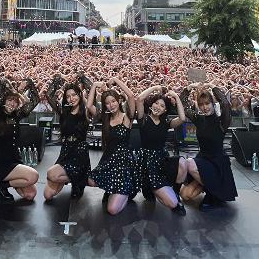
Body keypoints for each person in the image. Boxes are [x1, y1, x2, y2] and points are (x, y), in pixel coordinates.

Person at [180, 86, 238, 211]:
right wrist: (188, 89)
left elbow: (226, 105)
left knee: (189, 163)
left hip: (217, 162)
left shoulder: (222, 121)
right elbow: (183, 106)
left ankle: (213, 194)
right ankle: (213, 189)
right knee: (185, 196)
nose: (204, 107)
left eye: (207, 103)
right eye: (201, 105)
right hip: (203, 160)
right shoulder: (199, 119)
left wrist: (214, 89)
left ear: (213, 103)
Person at [86, 78, 138, 215]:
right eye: (107, 103)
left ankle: (127, 192)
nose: (111, 105)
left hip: (123, 164)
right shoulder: (105, 118)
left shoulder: (127, 117)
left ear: (119, 101)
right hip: (108, 160)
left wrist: (116, 80)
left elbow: (131, 96)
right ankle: (112, 190)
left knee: (112, 210)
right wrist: (94, 85)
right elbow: (89, 105)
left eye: (113, 101)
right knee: (91, 181)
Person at [135, 85, 188, 215]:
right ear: (151, 105)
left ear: (165, 110)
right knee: (166, 202)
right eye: (156, 103)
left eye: (162, 106)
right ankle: (152, 190)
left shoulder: (166, 122)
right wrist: (154, 87)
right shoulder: (143, 119)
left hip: (161, 160)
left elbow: (182, 118)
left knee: (182, 162)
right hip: (146, 164)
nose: (158, 107)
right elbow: (139, 99)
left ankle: (175, 191)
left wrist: (176, 96)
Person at [0, 77, 40, 202]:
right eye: (10, 100)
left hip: (15, 158)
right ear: (3, 100)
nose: (12, 103)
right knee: (33, 176)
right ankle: (1, 183)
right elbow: (0, 87)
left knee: (31, 194)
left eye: (15, 101)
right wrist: (10, 86)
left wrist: (29, 82)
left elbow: (36, 100)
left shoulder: (17, 115)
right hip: (2, 161)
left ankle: (1, 185)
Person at [43, 73, 92, 200]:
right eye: (68, 96)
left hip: (79, 152)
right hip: (66, 150)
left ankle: (79, 181)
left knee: (51, 173)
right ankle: (79, 178)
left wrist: (81, 78)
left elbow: (92, 89)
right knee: (47, 195)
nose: (71, 98)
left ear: (80, 95)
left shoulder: (86, 111)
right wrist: (57, 79)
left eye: (74, 95)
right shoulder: (64, 112)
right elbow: (48, 95)